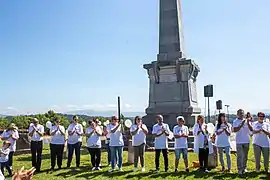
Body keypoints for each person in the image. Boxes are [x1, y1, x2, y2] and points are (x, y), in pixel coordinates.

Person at [233, 109, 252, 175]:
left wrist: (248, 122)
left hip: (246, 140)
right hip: (239, 141)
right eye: (240, 113)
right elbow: (235, 130)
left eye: (242, 113)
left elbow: (251, 130)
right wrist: (241, 125)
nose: (241, 114)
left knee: (245, 156)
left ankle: (244, 168)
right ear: (237, 114)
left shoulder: (247, 121)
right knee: (240, 156)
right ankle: (240, 169)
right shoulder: (235, 121)